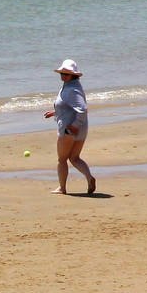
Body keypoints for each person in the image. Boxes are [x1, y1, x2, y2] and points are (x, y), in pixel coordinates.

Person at [43, 59, 95, 195]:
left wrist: (74, 126)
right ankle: (89, 178)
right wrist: (55, 112)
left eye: (66, 74)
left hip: (69, 130)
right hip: (79, 129)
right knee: (74, 158)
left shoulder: (72, 89)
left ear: (74, 75)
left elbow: (82, 109)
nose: (63, 76)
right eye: (62, 73)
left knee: (62, 160)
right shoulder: (72, 85)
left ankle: (62, 188)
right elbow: (70, 107)